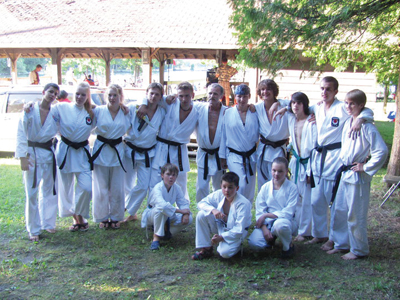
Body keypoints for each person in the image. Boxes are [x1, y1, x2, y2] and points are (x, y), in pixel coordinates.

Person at [304, 76, 374, 250]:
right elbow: (297, 103)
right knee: (316, 199)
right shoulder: (317, 107)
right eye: (322, 89)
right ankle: (320, 234)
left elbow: (367, 111)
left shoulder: (342, 108)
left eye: (328, 89)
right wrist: (280, 106)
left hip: (335, 158)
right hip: (318, 157)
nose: (324, 92)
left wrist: (360, 119)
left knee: (335, 202)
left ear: (336, 91)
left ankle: (335, 238)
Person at [326, 89, 388, 260]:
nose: (348, 106)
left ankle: (359, 250)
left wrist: (365, 166)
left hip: (356, 175)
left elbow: (381, 151)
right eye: (346, 102)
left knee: (355, 214)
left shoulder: (367, 126)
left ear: (361, 105)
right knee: (339, 210)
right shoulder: (349, 122)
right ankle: (341, 244)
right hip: (345, 172)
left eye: (352, 103)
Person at [16, 83, 60, 241]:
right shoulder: (30, 110)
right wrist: (22, 157)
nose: (52, 95)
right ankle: (33, 228)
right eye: (50, 92)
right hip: (32, 153)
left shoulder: (56, 112)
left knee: (50, 190)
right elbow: (21, 133)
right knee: (32, 192)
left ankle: (48, 223)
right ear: (43, 92)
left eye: (55, 93)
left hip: (48, 153)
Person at [148, 81, 202, 202]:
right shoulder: (169, 103)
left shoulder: (197, 110)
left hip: (179, 149)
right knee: (156, 179)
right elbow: (151, 97)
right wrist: (142, 104)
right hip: (162, 147)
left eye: (187, 95)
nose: (184, 99)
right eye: (181, 95)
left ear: (193, 95)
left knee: (181, 181)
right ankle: (153, 209)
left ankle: (183, 209)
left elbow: (215, 108)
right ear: (177, 95)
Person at [54, 82, 95, 232]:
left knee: (86, 186)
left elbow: (111, 110)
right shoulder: (62, 107)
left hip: (82, 152)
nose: (79, 97)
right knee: (66, 186)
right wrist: (30, 107)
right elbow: (45, 111)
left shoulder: (91, 112)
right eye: (77, 93)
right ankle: (75, 217)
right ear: (73, 94)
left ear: (87, 96)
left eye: (83, 94)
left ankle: (79, 212)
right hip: (65, 150)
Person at [123, 83, 166, 222]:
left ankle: (129, 210)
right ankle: (119, 212)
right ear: (146, 93)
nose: (153, 96)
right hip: (129, 150)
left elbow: (172, 100)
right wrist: (142, 102)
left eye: (157, 94)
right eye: (151, 93)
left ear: (161, 97)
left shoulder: (162, 112)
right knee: (125, 184)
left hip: (148, 154)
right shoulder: (134, 107)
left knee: (142, 185)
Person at [90, 84, 130, 229]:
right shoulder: (99, 111)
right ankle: (102, 217)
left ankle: (116, 217)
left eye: (115, 95)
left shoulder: (126, 112)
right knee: (101, 187)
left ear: (121, 97)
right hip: (101, 151)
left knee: (117, 187)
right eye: (110, 95)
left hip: (118, 151)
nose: (112, 98)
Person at [192, 172, 252, 260]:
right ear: (221, 186)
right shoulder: (219, 194)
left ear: (237, 188)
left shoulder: (243, 204)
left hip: (236, 233)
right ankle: (206, 249)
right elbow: (201, 203)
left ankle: (238, 246)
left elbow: (239, 229)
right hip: (221, 226)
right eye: (224, 187)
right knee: (201, 215)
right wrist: (213, 210)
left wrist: (222, 237)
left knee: (224, 253)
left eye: (230, 187)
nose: (226, 190)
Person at [248, 157, 298, 258]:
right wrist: (264, 228)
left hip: (285, 222)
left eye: (280, 171)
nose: (276, 174)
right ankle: (270, 239)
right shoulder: (265, 187)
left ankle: (287, 246)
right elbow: (260, 210)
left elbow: (288, 212)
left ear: (286, 171)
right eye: (274, 170)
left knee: (280, 226)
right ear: (271, 170)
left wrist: (267, 215)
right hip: (267, 223)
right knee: (254, 243)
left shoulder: (292, 187)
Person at [219, 84, 259, 202]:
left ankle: (245, 215)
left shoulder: (255, 112)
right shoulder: (228, 113)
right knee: (239, 183)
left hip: (251, 155)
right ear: (235, 97)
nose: (241, 100)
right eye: (239, 96)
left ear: (249, 96)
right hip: (234, 155)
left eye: (244, 97)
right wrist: (222, 157)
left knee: (250, 187)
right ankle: (234, 211)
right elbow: (223, 135)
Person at [287, 92, 317, 242]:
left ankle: (306, 231)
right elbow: (278, 102)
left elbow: (313, 149)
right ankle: (297, 226)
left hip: (308, 163)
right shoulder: (292, 120)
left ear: (305, 105)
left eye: (299, 103)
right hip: (296, 162)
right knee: (296, 196)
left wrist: (311, 170)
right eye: (293, 103)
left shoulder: (311, 122)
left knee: (307, 199)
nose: (295, 106)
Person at [141, 163, 192, 250]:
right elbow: (162, 206)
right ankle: (156, 238)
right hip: (152, 214)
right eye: (168, 174)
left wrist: (186, 214)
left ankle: (167, 232)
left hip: (168, 214)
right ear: (162, 175)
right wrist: (181, 211)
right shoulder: (157, 188)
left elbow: (183, 203)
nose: (171, 177)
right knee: (160, 211)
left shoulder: (176, 188)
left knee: (189, 218)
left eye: (173, 175)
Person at [195, 83, 228, 202]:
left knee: (219, 186)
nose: (212, 96)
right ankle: (203, 211)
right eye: (210, 93)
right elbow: (182, 101)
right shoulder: (199, 108)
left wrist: (225, 156)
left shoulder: (227, 112)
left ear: (221, 95)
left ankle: (218, 210)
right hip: (204, 153)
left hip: (219, 154)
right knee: (201, 186)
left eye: (215, 93)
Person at [255, 79, 290, 190]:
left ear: (274, 91)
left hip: (278, 150)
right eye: (262, 89)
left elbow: (301, 104)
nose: (265, 92)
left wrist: (280, 105)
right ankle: (263, 206)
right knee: (263, 183)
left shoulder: (285, 105)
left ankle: (278, 206)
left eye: (268, 89)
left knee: (279, 183)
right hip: (263, 150)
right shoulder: (257, 108)